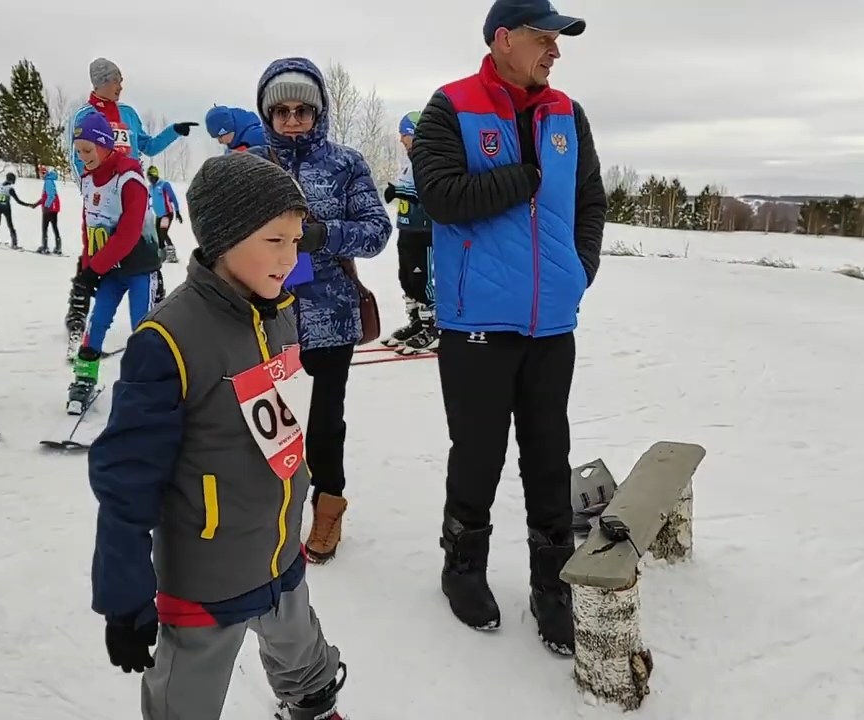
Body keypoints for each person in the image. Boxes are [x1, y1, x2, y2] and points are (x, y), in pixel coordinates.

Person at [87, 150, 347, 720]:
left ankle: (311, 703)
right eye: (275, 242)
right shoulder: (168, 340)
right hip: (208, 574)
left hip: (278, 548)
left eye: (295, 241)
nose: (290, 257)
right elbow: (126, 479)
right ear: (226, 239)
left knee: (301, 648)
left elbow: (308, 256)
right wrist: (124, 598)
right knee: (187, 694)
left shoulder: (274, 305)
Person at [409, 0, 606, 656]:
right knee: (478, 454)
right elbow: (439, 195)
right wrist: (520, 179)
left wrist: (577, 272)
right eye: (543, 38)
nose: (555, 51)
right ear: (502, 39)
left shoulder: (567, 116)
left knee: (549, 458)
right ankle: (461, 568)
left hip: (552, 324)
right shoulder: (450, 106)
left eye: (558, 40)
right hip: (476, 325)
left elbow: (589, 202)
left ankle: (553, 586)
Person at [248, 57, 392, 563]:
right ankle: (262, 510)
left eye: (302, 110)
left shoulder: (345, 163)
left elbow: (377, 230)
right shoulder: (250, 165)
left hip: (330, 314)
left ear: (319, 112)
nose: (291, 120)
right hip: (261, 317)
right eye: (281, 111)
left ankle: (328, 508)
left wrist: (321, 236)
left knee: (327, 422)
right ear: (267, 115)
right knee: (256, 417)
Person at [63, 57, 196, 347]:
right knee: (97, 256)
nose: (121, 86)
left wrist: (173, 131)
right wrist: (91, 194)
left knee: (145, 256)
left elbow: (147, 146)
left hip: (134, 194)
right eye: (116, 80)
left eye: (121, 80)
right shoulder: (83, 115)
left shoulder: (129, 114)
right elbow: (76, 159)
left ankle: (157, 319)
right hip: (102, 201)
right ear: (100, 82)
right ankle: (77, 318)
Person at [68, 112, 160, 413]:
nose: (83, 158)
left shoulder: (130, 179)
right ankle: (84, 378)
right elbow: (89, 226)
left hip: (139, 269)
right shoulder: (88, 180)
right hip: (109, 269)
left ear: (105, 145)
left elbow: (129, 233)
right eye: (78, 151)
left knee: (142, 328)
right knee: (97, 323)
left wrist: (96, 267)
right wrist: (86, 266)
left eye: (87, 150)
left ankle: (148, 385)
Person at [381, 111, 437, 355]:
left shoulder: (431, 159)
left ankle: (434, 326)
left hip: (425, 230)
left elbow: (431, 193)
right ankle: (417, 321)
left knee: (423, 279)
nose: (402, 140)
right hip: (407, 229)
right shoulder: (411, 161)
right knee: (407, 278)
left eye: (405, 134)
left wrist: (400, 193)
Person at [145, 165, 180, 264]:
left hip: (167, 214)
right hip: (159, 215)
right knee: (158, 234)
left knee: (163, 232)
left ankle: (172, 254)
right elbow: (147, 197)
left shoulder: (164, 185)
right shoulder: (151, 187)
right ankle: (162, 255)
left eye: (151, 177)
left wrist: (177, 211)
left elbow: (173, 198)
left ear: (155, 176)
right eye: (148, 178)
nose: (150, 180)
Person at [0, 172, 31, 248]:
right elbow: (18, 201)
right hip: (6, 208)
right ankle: (14, 243)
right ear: (12, 180)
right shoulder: (10, 189)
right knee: (10, 225)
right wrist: (28, 205)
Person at [35, 167, 62, 254]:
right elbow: (46, 196)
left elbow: (51, 196)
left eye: (43, 173)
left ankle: (45, 247)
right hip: (53, 208)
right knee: (54, 226)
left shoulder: (48, 182)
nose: (42, 175)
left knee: (45, 227)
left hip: (50, 208)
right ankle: (58, 247)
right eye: (41, 173)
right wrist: (37, 203)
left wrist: (46, 206)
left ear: (46, 173)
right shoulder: (50, 181)